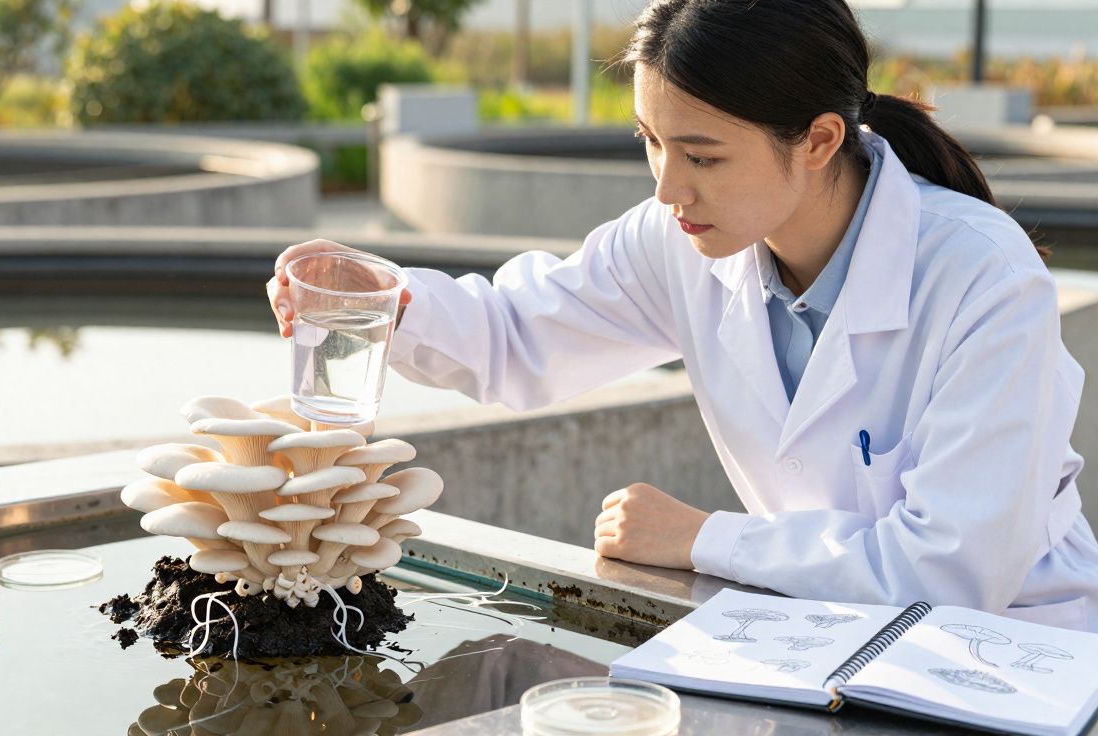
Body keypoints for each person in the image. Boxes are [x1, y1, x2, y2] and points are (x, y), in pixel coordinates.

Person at [268, 0, 1098, 632]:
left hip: (1015, 651)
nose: (667, 188)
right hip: (820, 634)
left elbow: (950, 573)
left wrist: (702, 539)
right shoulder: (684, 239)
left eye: (702, 155)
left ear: (817, 140)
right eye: (650, 142)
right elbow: (518, 337)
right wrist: (375, 297)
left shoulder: (983, 277)